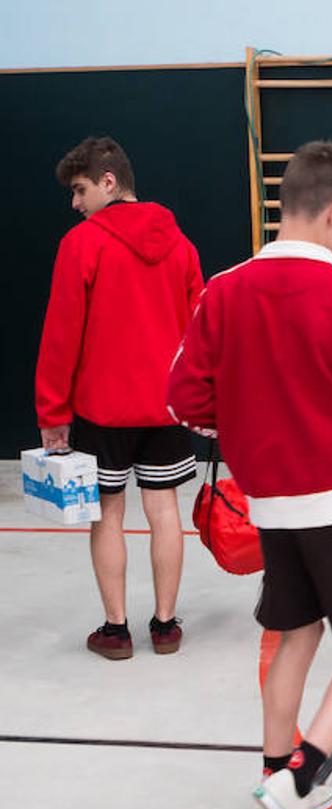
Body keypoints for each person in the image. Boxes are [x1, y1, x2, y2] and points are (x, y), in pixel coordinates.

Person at [167, 141, 332, 809]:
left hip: (268, 504)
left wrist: (243, 423)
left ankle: (271, 776)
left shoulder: (222, 289)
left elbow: (183, 398)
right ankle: (298, 778)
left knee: (293, 637)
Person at [35, 136, 204, 660]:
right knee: (165, 511)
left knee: (107, 515)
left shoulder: (81, 244)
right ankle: (166, 625)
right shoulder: (182, 245)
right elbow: (200, 332)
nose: (75, 203)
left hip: (102, 410)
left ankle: (115, 631)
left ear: (109, 182)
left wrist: (52, 413)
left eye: (80, 189)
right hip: (167, 406)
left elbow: (61, 335)